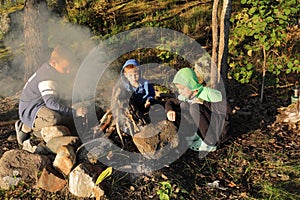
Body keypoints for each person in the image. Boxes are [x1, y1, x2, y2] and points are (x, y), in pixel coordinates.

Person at [15, 45, 87, 146]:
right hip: (31, 108)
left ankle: (38, 129)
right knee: (54, 118)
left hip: (44, 102)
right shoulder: (47, 78)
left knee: (64, 114)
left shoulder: (54, 69)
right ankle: (25, 126)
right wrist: (74, 112)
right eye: (66, 68)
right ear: (53, 63)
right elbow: (51, 103)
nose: (69, 71)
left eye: (70, 67)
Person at [165, 67, 231, 152]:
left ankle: (210, 142)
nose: (179, 91)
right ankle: (194, 135)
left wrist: (205, 103)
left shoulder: (208, 93)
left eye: (182, 88)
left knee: (194, 107)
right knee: (184, 105)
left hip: (218, 133)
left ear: (191, 85)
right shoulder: (187, 96)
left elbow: (228, 109)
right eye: (178, 88)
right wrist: (169, 110)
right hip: (204, 127)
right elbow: (170, 102)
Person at [112, 59, 155, 133]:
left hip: (144, 105)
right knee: (126, 112)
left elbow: (151, 94)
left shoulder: (145, 83)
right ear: (125, 75)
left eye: (136, 74)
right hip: (131, 108)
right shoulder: (124, 86)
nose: (133, 77)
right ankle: (126, 126)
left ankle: (144, 123)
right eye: (130, 75)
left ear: (140, 73)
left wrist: (149, 100)